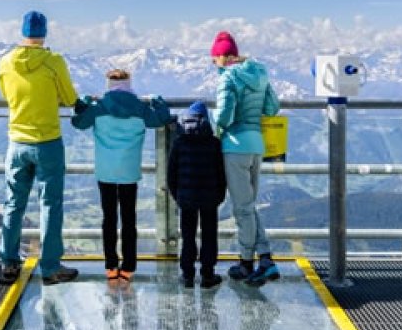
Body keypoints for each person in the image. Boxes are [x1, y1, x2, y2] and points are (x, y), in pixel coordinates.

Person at [0, 10, 80, 285]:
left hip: (17, 142)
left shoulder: (6, 62)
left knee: (13, 203)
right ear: (44, 33)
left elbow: (7, 95)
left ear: (23, 32)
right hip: (47, 142)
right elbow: (69, 98)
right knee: (50, 205)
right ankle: (51, 267)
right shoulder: (54, 61)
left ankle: (9, 262)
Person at [71, 68, 170, 284]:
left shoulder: (99, 107)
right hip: (129, 170)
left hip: (105, 170)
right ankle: (128, 267)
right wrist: (157, 100)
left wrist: (85, 101)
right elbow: (161, 119)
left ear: (108, 84)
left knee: (108, 219)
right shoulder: (140, 107)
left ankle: (110, 266)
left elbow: (78, 123)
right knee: (128, 219)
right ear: (129, 83)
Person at [210, 30, 283, 285]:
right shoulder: (260, 73)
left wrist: (215, 133)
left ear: (222, 57)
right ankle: (265, 259)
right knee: (249, 205)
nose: (213, 64)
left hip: (235, 146)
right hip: (257, 145)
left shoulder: (228, 77)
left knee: (242, 208)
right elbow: (273, 107)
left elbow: (224, 116)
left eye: (214, 59)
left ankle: (245, 263)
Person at [166, 100, 227, 288]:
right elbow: (221, 173)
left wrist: (178, 195)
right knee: (209, 234)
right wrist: (219, 195)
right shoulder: (214, 143)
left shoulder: (179, 142)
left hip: (186, 198)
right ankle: (208, 275)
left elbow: (171, 174)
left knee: (188, 235)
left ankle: (187, 275)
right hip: (210, 197)